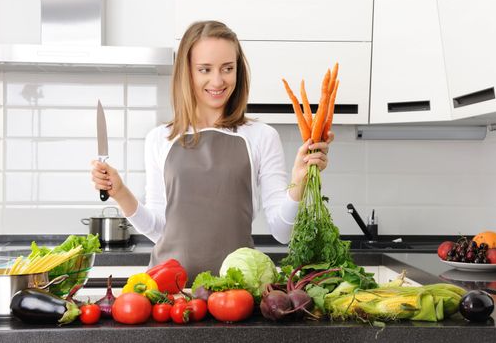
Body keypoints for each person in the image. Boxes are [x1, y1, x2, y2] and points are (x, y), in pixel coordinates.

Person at [91, 20, 333, 282]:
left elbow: (281, 232)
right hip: (171, 293)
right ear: (188, 72)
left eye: (227, 68)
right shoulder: (159, 139)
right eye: (205, 69)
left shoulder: (261, 137)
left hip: (236, 294)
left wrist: (298, 183)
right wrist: (121, 193)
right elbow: (161, 230)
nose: (217, 81)